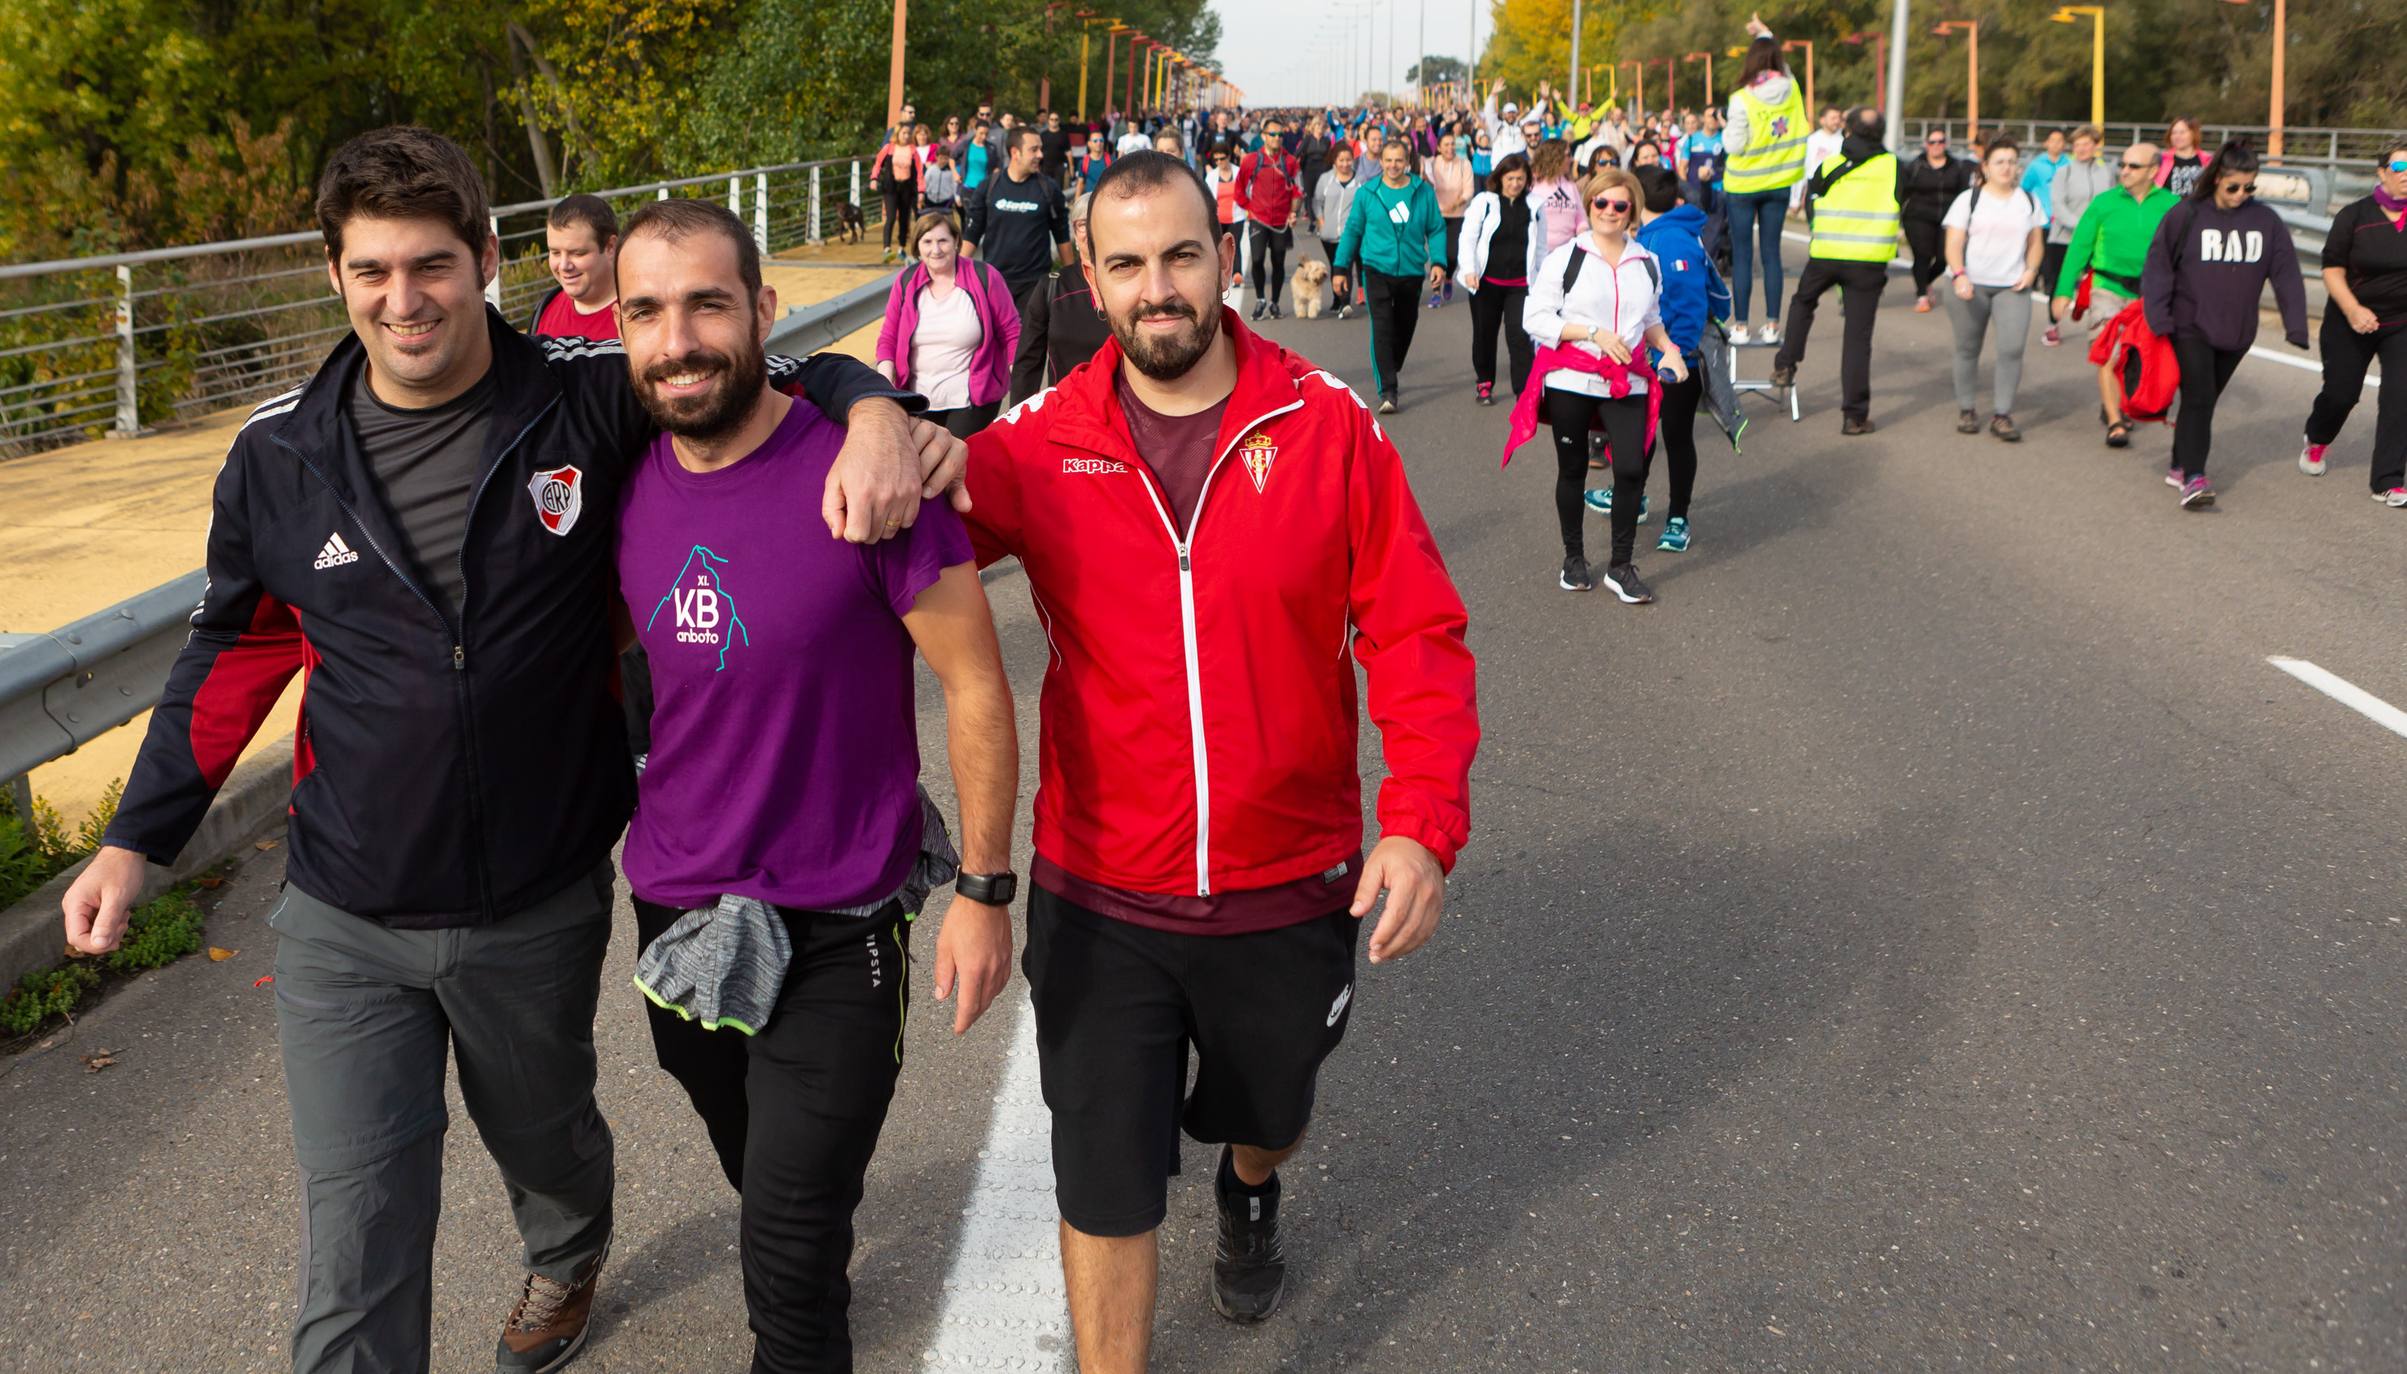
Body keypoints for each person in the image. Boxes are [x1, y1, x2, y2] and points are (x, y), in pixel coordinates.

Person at [58, 124, 954, 1374]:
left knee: (541, 1135)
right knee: (357, 1235)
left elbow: (742, 365)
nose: (401, 299)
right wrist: (137, 838)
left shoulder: (588, 401)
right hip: (345, 902)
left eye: (430, 265)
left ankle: (567, 1240)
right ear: (332, 274)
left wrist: (869, 408)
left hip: (534, 895)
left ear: (485, 257)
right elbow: (236, 649)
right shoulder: (277, 454)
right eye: (369, 271)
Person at [961, 148, 1479, 1374]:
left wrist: (1416, 819)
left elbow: (1415, 630)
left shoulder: (1324, 425)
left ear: (1225, 255)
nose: (1158, 289)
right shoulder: (1035, 445)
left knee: (1272, 1116)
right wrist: (862, 414)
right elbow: (882, 546)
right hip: (1100, 889)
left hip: (1287, 877)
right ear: (1088, 276)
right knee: (1104, 1176)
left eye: (1181, 255)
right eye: (1127, 263)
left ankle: (1250, 1188)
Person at [610, 197, 1015, 1373]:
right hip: (677, 906)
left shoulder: (866, 477)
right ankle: (802, 1229)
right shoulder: (619, 482)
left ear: (761, 313)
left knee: (785, 1255)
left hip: (842, 920)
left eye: (706, 304)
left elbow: (979, 690)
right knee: (759, 1172)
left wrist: (986, 890)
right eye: (647, 311)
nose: (677, 338)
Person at [1520, 166, 1687, 603]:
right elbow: (1535, 318)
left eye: (1620, 204)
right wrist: (1592, 334)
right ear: (1589, 204)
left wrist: (1669, 349)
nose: (1609, 212)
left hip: (1626, 380)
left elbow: (1650, 320)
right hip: (1572, 377)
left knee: (1632, 467)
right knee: (1573, 468)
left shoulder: (1646, 261)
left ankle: (1620, 566)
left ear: (1631, 209)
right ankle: (1574, 560)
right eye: (1601, 203)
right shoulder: (1566, 258)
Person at [2143, 139, 2309, 508]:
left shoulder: (2265, 221)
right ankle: (2194, 477)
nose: (2241, 194)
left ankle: (2179, 461)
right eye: (2234, 186)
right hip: (2190, 325)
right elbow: (2158, 266)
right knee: (2200, 397)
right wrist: (2159, 317)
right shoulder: (2186, 215)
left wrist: (2295, 325)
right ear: (2217, 177)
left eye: (2250, 187)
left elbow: (2286, 273)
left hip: (2237, 330)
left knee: (2204, 399)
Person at [1769, 105, 1901, 436]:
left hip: (1826, 253)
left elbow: (1814, 196)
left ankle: (1786, 363)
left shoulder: (1831, 164)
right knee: (1858, 337)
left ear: (1848, 131)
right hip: (1868, 262)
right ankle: (1854, 416)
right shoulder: (1894, 167)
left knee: (1803, 301)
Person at [1619, 164, 1729, 552]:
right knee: (1644, 432)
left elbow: (1686, 304)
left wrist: (1673, 354)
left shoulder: (1672, 240)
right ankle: (1635, 499)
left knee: (1676, 436)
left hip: (1675, 357)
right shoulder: (1658, 234)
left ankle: (1678, 517)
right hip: (1651, 354)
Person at [2300, 137, 2407, 505]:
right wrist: (2353, 310)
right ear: (2382, 173)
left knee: (2401, 397)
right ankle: (2317, 438)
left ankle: (2388, 481)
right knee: (2341, 395)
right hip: (2350, 318)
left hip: (2401, 323)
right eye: (2400, 167)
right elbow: (2331, 269)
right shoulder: (2355, 216)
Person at [2054, 141, 2176, 448]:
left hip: (2149, 294)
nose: (2124, 171)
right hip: (2107, 288)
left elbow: (2185, 253)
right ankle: (2114, 422)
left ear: (2153, 170)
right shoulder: (2104, 203)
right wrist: (2063, 291)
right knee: (2108, 353)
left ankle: (2121, 402)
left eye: (2133, 166)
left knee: (2133, 356)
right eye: (2122, 165)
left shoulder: (2172, 206)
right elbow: (2079, 247)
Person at [877, 211, 1022, 436]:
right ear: (917, 247)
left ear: (956, 241)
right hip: (918, 400)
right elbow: (889, 337)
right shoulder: (906, 282)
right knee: (924, 466)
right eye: (927, 242)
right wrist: (885, 383)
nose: (936, 250)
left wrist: (1022, 386)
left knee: (953, 461)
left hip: (972, 398)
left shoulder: (985, 277)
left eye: (943, 240)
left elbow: (1011, 331)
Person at [1941, 137, 2046, 441]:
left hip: (2011, 286)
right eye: (1999, 161)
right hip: (1969, 285)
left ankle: (2002, 414)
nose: (2006, 167)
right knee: (1967, 348)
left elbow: (2035, 242)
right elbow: (1954, 242)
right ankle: (1966, 408)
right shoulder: (1969, 199)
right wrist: (1959, 274)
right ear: (1985, 167)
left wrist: (2031, 271)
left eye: (2012, 162)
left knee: (2011, 349)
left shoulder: (2027, 200)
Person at [1332, 139, 1448, 413]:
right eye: (1388, 160)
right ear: (1380, 162)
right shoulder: (1368, 193)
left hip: (1410, 270)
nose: (1393, 165)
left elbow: (1436, 228)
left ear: (1406, 162)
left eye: (1399, 160)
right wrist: (1340, 268)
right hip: (1376, 269)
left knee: (1405, 325)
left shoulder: (1423, 192)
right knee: (1382, 327)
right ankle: (1388, 389)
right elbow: (1352, 232)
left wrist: (1438, 262)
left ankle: (1390, 365)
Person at [1720, 30, 1807, 344]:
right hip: (1780, 183)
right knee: (1772, 253)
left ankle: (1741, 326)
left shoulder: (1741, 98)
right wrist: (1766, 33)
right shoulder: (1793, 90)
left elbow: (1734, 145)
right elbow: (1787, 71)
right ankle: (1772, 325)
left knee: (1743, 255)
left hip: (1744, 184)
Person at [964, 126, 1075, 321]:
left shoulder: (1048, 189)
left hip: (1034, 286)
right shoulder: (989, 187)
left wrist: (1073, 282)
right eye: (1034, 149)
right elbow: (972, 235)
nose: (1040, 155)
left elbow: (1062, 236)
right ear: (1015, 152)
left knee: (1026, 348)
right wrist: (954, 274)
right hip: (994, 283)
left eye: (1040, 149)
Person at [1012, 192, 1113, 398]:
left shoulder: (1133, 282)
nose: (1092, 231)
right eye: (1083, 224)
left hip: (1125, 413)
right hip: (1068, 413)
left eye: (1099, 222)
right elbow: (1028, 363)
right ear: (1075, 232)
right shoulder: (1053, 286)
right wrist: (1022, 421)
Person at [1458, 151, 1535, 405]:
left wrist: (1542, 281)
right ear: (1500, 178)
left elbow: (1541, 246)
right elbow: (1468, 237)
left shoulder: (1534, 206)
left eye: (1520, 179)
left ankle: (1523, 392)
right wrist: (1469, 269)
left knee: (1520, 336)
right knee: (1485, 333)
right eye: (1511, 178)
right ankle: (1484, 381)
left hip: (1520, 285)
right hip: (1485, 283)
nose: (1515, 184)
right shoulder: (1485, 202)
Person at [2042, 126, 2109, 347]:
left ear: (2095, 146)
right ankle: (2052, 325)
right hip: (2064, 238)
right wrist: (2081, 228)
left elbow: (2109, 205)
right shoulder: (2064, 172)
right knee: (2060, 283)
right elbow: (2058, 206)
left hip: (2096, 240)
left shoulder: (2105, 172)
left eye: (2086, 144)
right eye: (2077, 145)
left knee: (2099, 283)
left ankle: (2099, 323)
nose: (2081, 149)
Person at [1900, 127, 1978, 311]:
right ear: (1926, 145)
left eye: (1941, 141)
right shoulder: (1915, 166)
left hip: (1947, 218)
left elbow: (1965, 192)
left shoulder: (1957, 166)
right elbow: (1903, 191)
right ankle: (1922, 296)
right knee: (1922, 255)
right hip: (1918, 216)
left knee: (1945, 258)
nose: (1937, 146)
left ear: (1946, 144)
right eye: (1932, 142)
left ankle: (1924, 281)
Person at [528, 194, 621, 342]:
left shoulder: (642, 314)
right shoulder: (545, 309)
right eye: (555, 253)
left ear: (610, 247)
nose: (564, 265)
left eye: (578, 253)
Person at [1237, 119, 1303, 319]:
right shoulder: (1251, 160)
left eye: (1280, 135)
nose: (1277, 138)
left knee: (1278, 262)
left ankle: (1274, 302)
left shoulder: (1290, 161)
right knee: (1257, 260)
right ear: (1264, 136)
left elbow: (1298, 191)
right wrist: (1249, 208)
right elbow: (1239, 188)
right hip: (1258, 218)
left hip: (1281, 221)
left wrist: (1293, 213)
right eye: (1273, 134)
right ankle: (1260, 299)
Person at [1312, 145, 1365, 318]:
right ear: (1334, 160)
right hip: (1327, 234)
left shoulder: (1360, 180)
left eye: (1348, 160)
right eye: (1341, 160)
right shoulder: (1325, 179)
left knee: (1345, 267)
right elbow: (1317, 201)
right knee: (1335, 267)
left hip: (1350, 235)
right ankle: (1337, 300)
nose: (1345, 164)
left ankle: (1345, 303)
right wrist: (1320, 220)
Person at [1425, 132, 1475, 308]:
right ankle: (1436, 293)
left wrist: (1455, 204)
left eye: (1452, 144)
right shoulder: (1431, 164)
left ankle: (1448, 278)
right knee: (1437, 254)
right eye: (1445, 144)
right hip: (1436, 216)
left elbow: (1469, 190)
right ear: (1439, 147)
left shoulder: (1464, 164)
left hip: (1457, 214)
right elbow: (1427, 184)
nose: (1450, 148)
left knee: (1452, 255)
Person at [2021, 129, 2071, 273]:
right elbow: (2025, 188)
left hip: (2063, 221)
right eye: (2052, 140)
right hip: (2042, 221)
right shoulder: (2035, 165)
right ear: (2046, 143)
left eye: (2059, 141)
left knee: (2058, 261)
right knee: (2040, 256)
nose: (2056, 144)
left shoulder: (2070, 164)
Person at [871, 121, 922, 261]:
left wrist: (921, 191)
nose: (906, 136)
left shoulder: (913, 150)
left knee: (904, 219)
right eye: (903, 133)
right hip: (891, 187)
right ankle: (886, 249)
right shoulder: (889, 148)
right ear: (898, 134)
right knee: (891, 217)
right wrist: (874, 178)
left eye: (908, 134)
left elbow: (919, 172)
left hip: (907, 188)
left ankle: (901, 248)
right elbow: (877, 163)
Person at [1795, 105, 1845, 219]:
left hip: (1834, 188)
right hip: (1814, 187)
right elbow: (1804, 167)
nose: (1837, 121)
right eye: (1833, 118)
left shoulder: (1844, 142)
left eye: (1839, 118)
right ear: (1822, 120)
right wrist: (1796, 198)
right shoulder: (1812, 140)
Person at [2156, 117, 2210, 198]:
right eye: (2174, 133)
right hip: (2170, 208)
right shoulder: (2162, 160)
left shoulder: (2208, 160)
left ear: (2194, 133)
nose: (2177, 136)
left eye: (2182, 132)